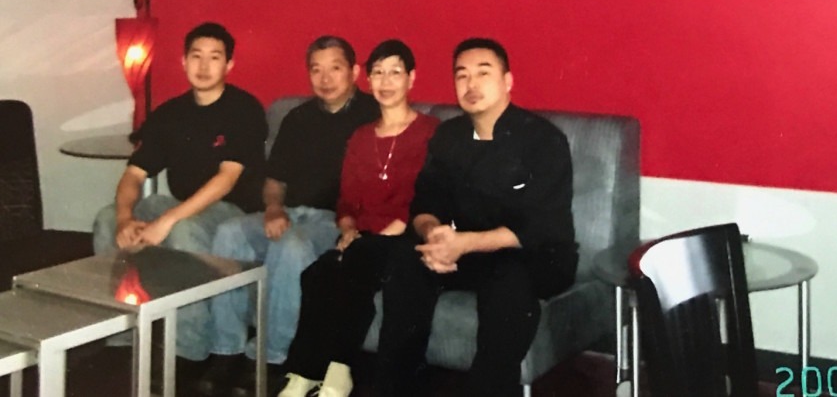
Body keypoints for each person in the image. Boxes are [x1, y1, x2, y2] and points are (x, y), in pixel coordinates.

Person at [374, 38, 578, 397]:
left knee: (509, 280)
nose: (471, 85)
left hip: (535, 253)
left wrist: (464, 243)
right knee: (406, 261)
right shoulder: (448, 135)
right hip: (467, 249)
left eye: (483, 73)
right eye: (462, 76)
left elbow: (540, 225)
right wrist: (434, 233)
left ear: (507, 81)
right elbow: (425, 200)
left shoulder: (543, 139)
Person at [199, 36, 380, 395]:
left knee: (291, 246)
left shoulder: (372, 116)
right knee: (228, 233)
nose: (325, 78)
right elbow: (274, 179)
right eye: (316, 69)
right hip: (290, 211)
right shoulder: (298, 117)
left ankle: (275, 356)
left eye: (335, 68)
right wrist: (274, 208)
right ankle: (227, 349)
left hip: (333, 219)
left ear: (355, 72)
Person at [92, 21, 268, 364]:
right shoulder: (170, 114)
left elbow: (227, 180)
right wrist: (127, 217)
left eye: (214, 58)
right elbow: (133, 174)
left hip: (231, 210)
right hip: (178, 202)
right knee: (107, 218)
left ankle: (189, 347)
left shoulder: (244, 109)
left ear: (229, 65)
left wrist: (167, 220)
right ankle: (120, 332)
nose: (203, 66)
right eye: (196, 56)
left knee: (184, 228)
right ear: (183, 61)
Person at [278, 39, 439, 397]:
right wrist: (348, 228)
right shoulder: (361, 137)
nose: (385, 81)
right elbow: (347, 200)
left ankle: (338, 371)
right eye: (377, 73)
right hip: (364, 237)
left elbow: (422, 197)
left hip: (404, 236)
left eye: (395, 72)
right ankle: (304, 375)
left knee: (353, 267)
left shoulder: (430, 132)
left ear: (411, 78)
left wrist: (370, 239)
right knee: (317, 274)